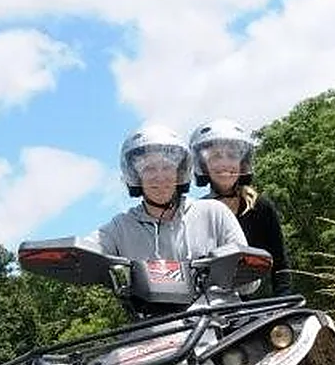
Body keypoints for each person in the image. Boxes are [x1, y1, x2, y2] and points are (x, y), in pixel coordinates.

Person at [87, 124, 247, 262]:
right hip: (145, 299)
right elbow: (88, 247)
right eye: (149, 169)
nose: (160, 176)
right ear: (135, 176)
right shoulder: (121, 227)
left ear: (179, 172)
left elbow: (250, 280)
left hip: (215, 298)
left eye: (167, 167)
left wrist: (223, 268)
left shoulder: (213, 213)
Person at [189, 119, 292, 295]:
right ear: (203, 165)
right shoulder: (199, 210)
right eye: (215, 157)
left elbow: (280, 264)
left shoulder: (261, 207)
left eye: (231, 155)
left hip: (261, 307)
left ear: (242, 163)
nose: (224, 163)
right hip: (213, 308)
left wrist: (284, 304)